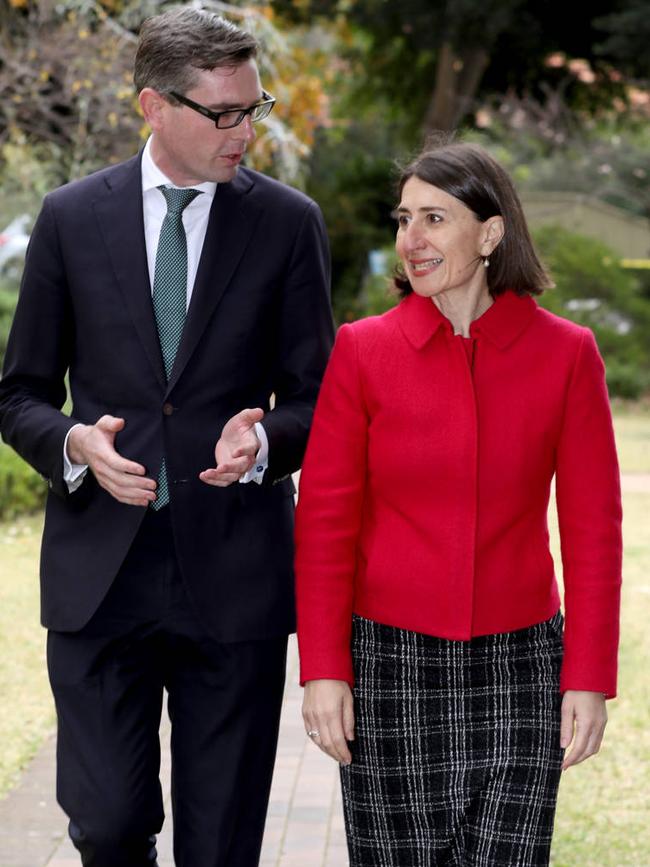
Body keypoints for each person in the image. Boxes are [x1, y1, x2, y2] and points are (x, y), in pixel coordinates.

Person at [0, 7, 334, 867]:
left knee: (220, 846)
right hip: (99, 578)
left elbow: (317, 398)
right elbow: (19, 394)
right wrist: (77, 445)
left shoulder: (288, 224)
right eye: (221, 114)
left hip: (235, 577)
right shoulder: (71, 217)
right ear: (153, 104)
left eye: (252, 109)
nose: (243, 133)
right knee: (108, 826)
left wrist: (262, 446)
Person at [295, 140, 621, 866]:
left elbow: (594, 529)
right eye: (404, 218)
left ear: (491, 232)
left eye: (435, 218)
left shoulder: (568, 354)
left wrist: (589, 676)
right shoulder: (362, 351)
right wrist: (324, 667)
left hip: (521, 665)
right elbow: (323, 524)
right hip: (390, 662)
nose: (411, 240)